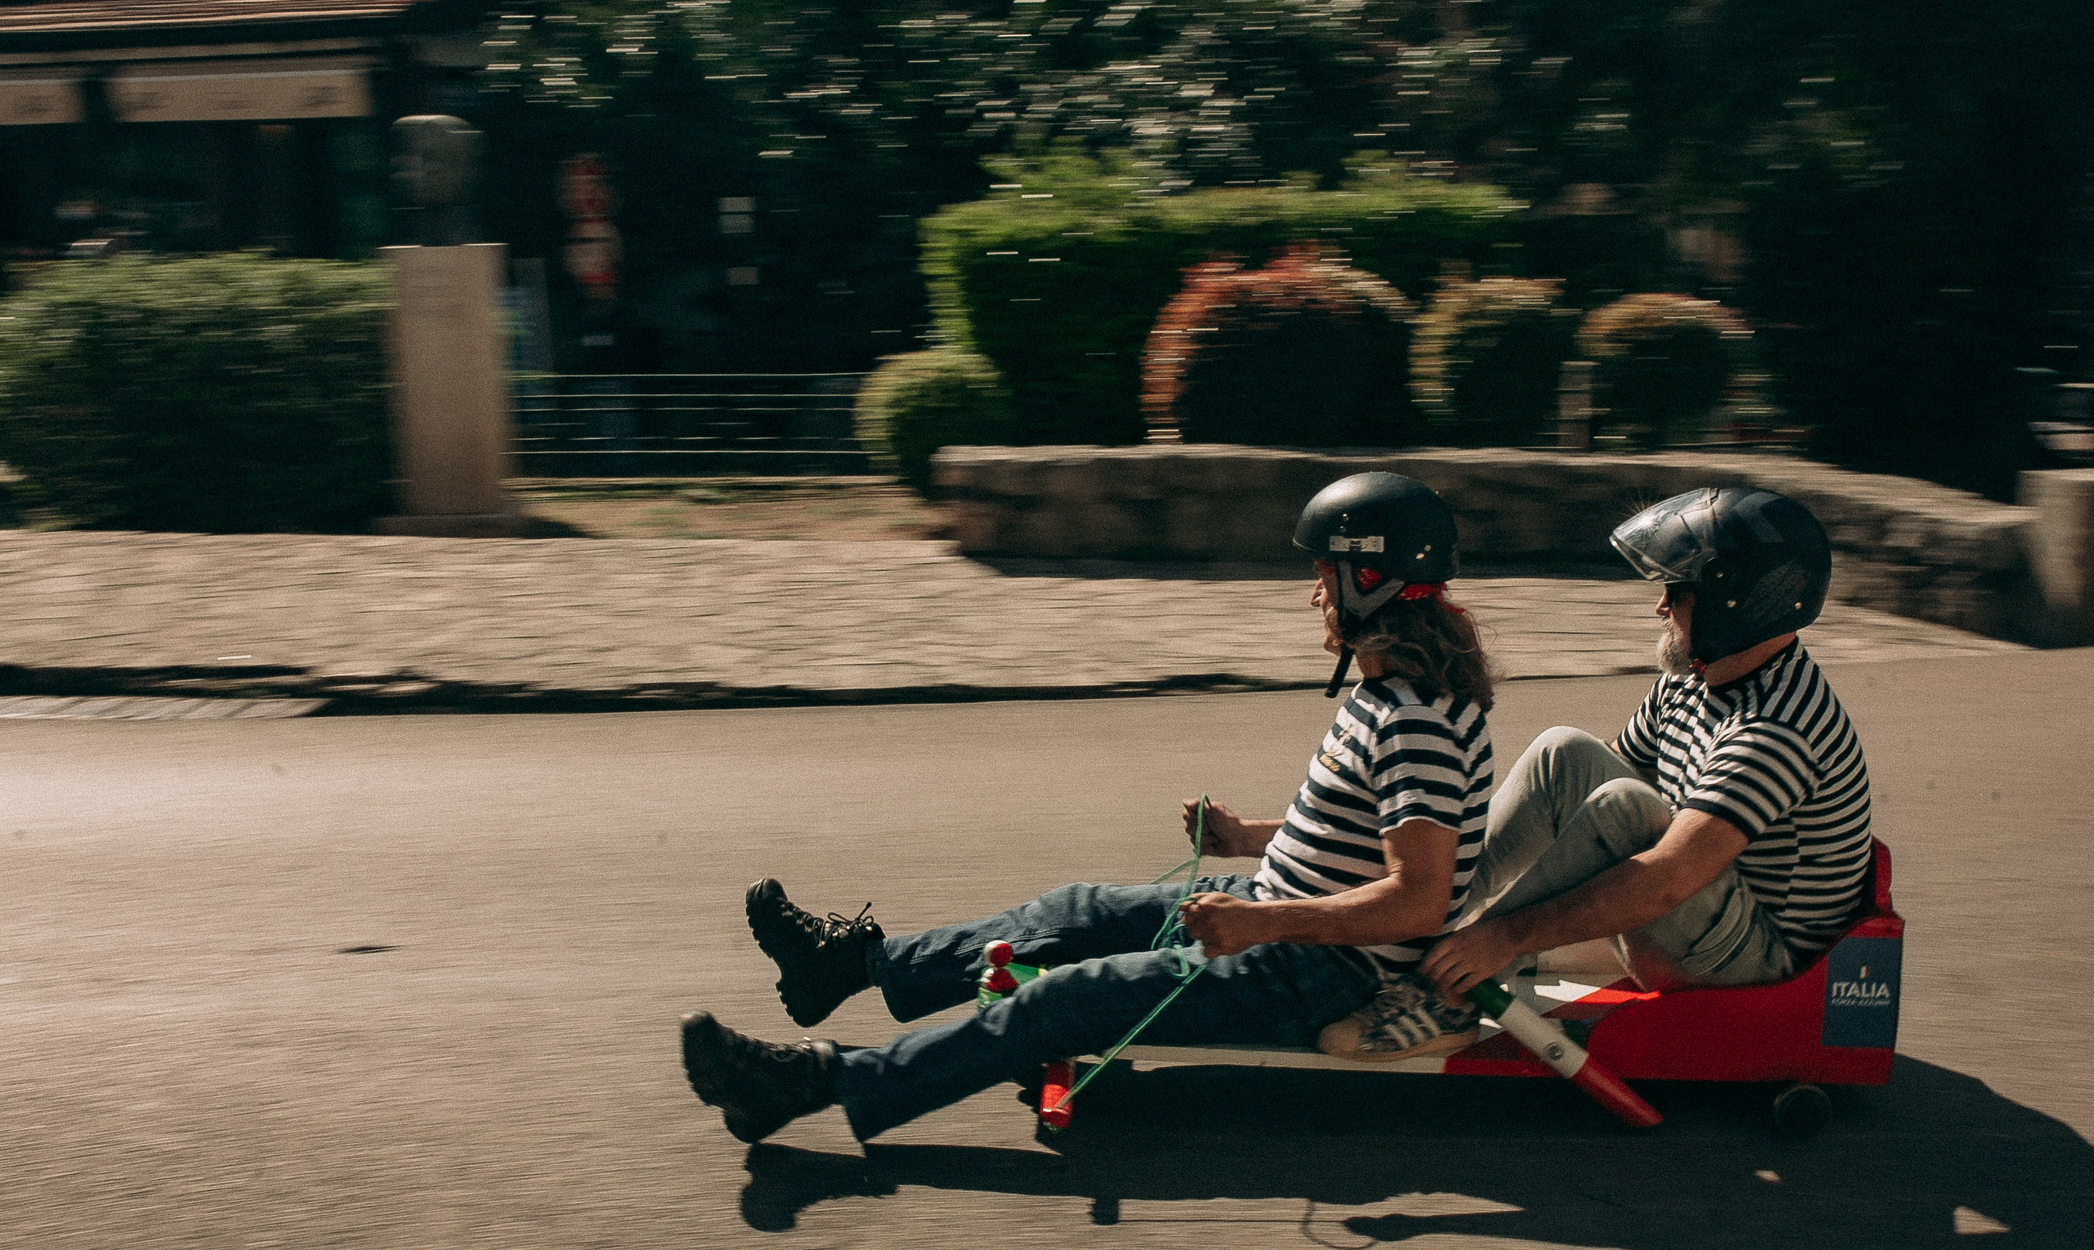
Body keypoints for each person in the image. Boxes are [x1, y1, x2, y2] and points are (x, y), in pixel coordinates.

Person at [678, 471, 1499, 1144]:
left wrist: (1263, 924)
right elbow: (1358, 833)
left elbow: (1418, 897)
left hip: (1317, 971)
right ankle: (852, 966)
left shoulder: (1414, 718)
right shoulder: (1389, 697)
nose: (1313, 595)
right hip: (1277, 917)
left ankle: (814, 1082)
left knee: (1058, 999)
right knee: (1069, 912)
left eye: (1324, 575)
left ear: (1370, 580)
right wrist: (1248, 836)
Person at [1322, 484, 1874, 1062]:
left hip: (1759, 965)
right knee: (1564, 751)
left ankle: (1448, 994)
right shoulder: (1693, 679)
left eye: (1677, 591)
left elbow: (1664, 876)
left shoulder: (1775, 730)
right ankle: (1428, 930)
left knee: (1626, 812)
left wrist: (1506, 936)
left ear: (1739, 600)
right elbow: (1590, 785)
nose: (1660, 606)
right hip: (1702, 916)